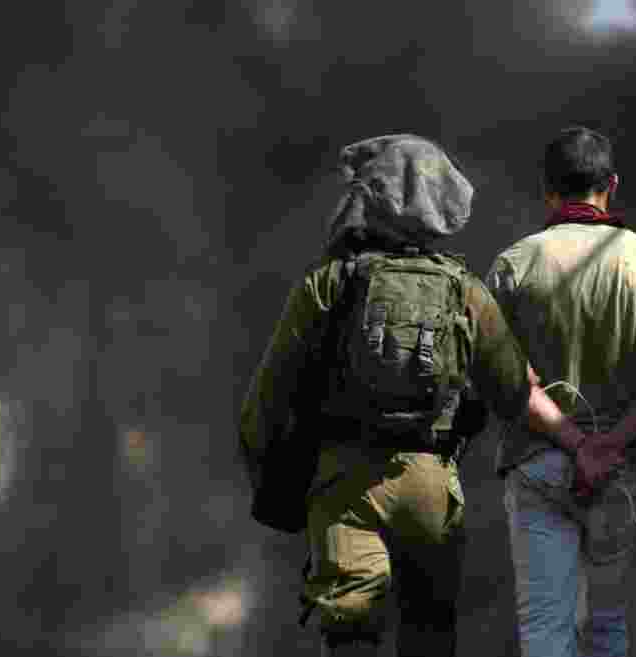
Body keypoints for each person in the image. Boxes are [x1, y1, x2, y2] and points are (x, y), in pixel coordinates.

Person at [238, 134, 590, 657]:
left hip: (345, 487)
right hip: (432, 489)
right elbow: (518, 393)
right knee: (429, 634)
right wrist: (581, 443)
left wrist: (274, 486)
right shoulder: (464, 290)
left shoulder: (328, 281)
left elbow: (263, 406)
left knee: (351, 633)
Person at [485, 126, 636, 657]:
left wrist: (575, 444)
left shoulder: (513, 266)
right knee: (606, 626)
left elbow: (510, 380)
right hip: (624, 472)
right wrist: (607, 446)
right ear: (612, 185)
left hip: (537, 464)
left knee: (544, 629)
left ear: (549, 191)